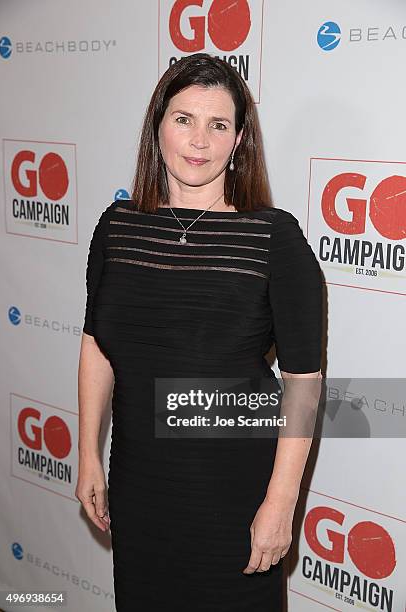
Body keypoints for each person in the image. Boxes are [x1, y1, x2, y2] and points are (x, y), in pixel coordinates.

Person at [75, 52, 323, 611]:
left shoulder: (272, 238)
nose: (199, 140)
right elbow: (96, 344)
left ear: (238, 141)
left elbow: (304, 382)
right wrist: (89, 451)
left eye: (219, 125)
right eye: (184, 118)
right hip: (140, 487)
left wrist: (280, 504)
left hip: (233, 492)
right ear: (157, 125)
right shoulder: (116, 229)